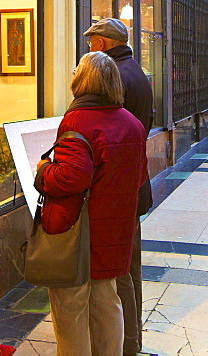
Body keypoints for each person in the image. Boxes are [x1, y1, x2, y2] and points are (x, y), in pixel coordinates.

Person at [35, 51, 148, 356]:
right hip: (115, 231)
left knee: (70, 307)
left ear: (82, 79)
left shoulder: (78, 120)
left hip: (78, 232)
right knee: (107, 301)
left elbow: (70, 178)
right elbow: (138, 177)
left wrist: (44, 171)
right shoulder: (132, 124)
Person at [83, 18, 153, 354]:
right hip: (132, 185)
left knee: (119, 271)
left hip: (116, 189)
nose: (88, 47)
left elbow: (110, 136)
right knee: (128, 266)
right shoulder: (135, 70)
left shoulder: (115, 77)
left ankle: (125, 342)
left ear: (102, 43)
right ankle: (132, 337)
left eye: (91, 41)